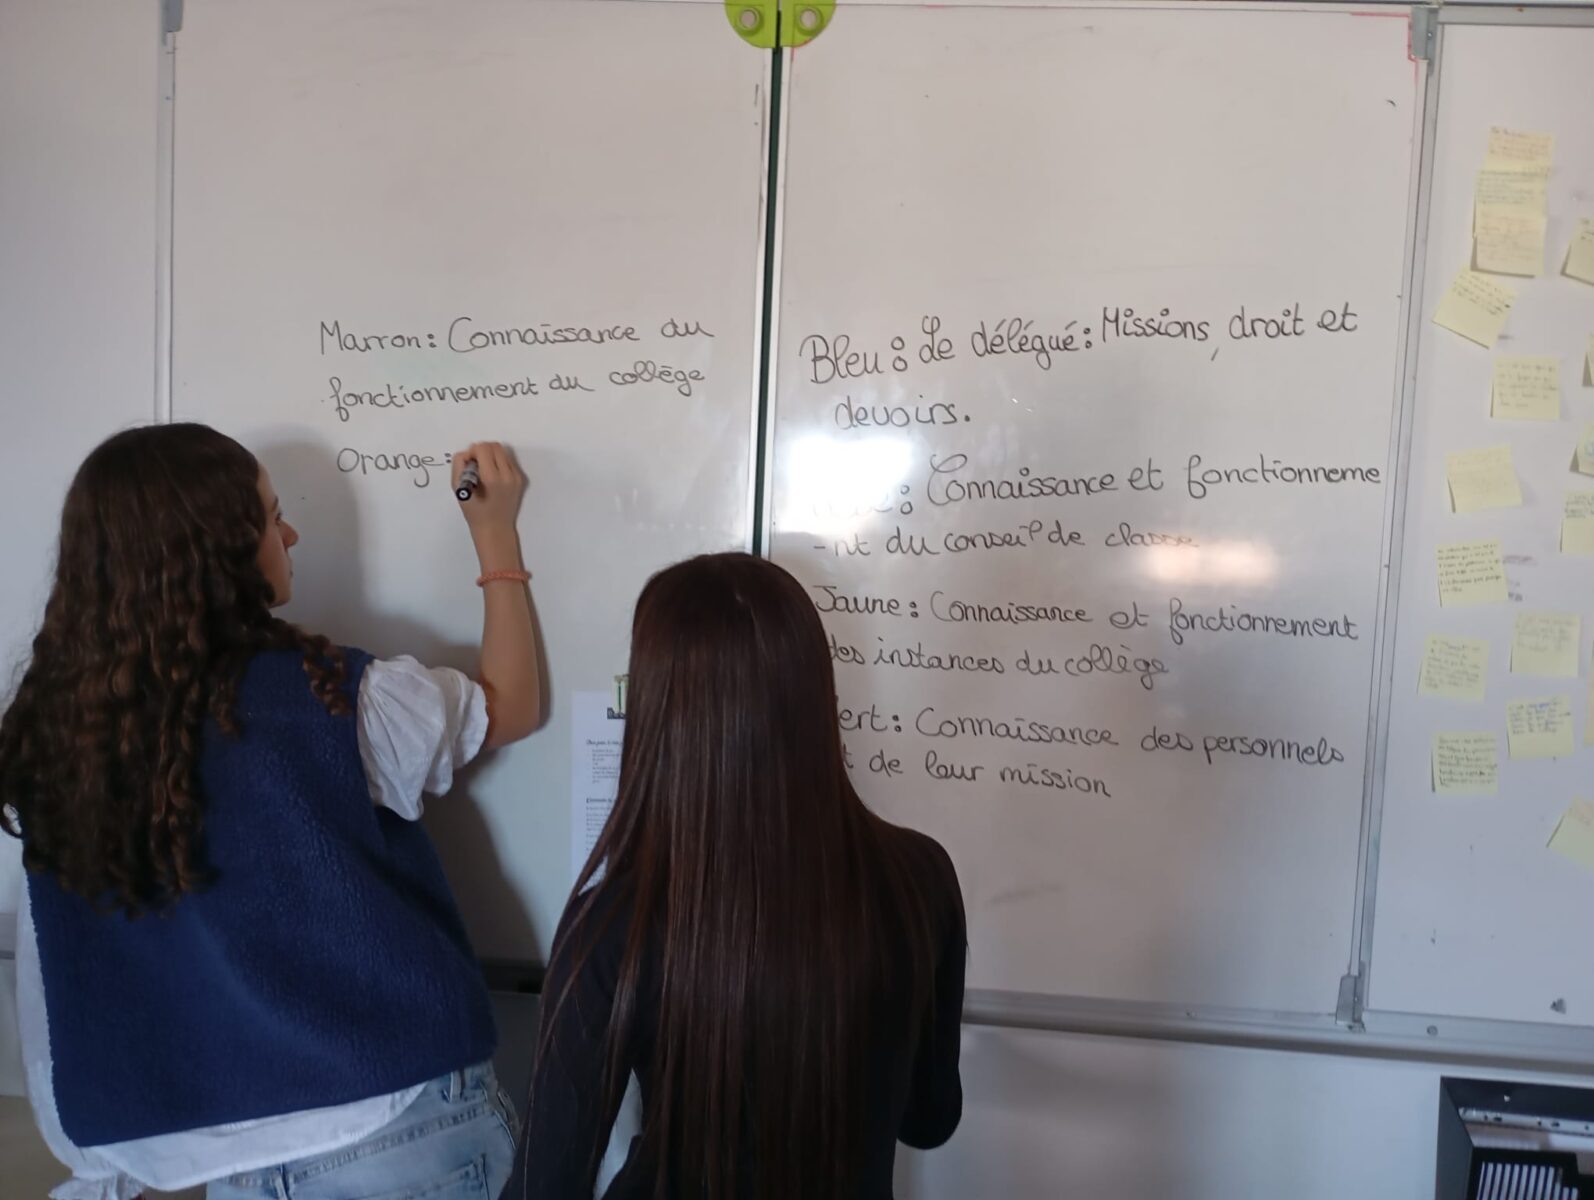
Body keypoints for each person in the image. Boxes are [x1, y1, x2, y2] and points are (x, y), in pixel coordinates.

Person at [0, 425, 540, 1200]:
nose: (290, 536)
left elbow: (51, 984)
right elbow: (511, 706)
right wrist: (495, 535)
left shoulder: (54, 744)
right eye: (272, 517)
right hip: (390, 1126)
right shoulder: (330, 697)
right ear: (218, 549)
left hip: (216, 1164)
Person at [507, 552, 966, 1200]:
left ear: (660, 713)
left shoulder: (613, 924)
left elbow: (544, 1187)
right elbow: (929, 1118)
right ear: (815, 693)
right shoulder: (921, 877)